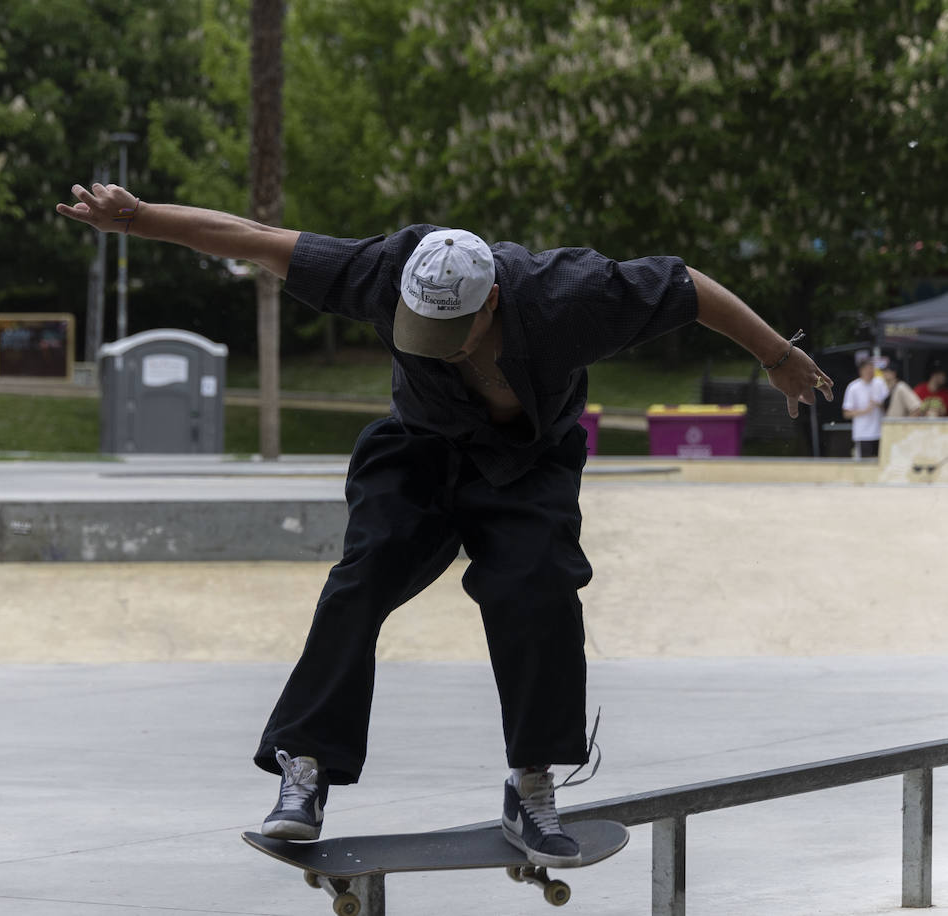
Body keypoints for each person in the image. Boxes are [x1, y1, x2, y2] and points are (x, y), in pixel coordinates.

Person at [56, 182, 833, 866]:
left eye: (448, 333)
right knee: (362, 580)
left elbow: (690, 287)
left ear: (490, 301)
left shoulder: (572, 295)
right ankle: (308, 769)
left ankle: (531, 781)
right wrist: (141, 217)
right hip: (419, 453)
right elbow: (253, 240)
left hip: (529, 462)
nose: (431, 345)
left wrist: (776, 355)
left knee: (538, 588)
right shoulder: (387, 272)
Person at [841, 358, 889, 459]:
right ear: (861, 371)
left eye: (872, 369)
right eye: (867, 370)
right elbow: (846, 413)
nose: (870, 372)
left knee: (881, 460)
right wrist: (864, 411)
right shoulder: (853, 387)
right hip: (863, 433)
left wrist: (879, 404)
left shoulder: (880, 383)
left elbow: (888, 404)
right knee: (866, 462)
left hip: (880, 431)